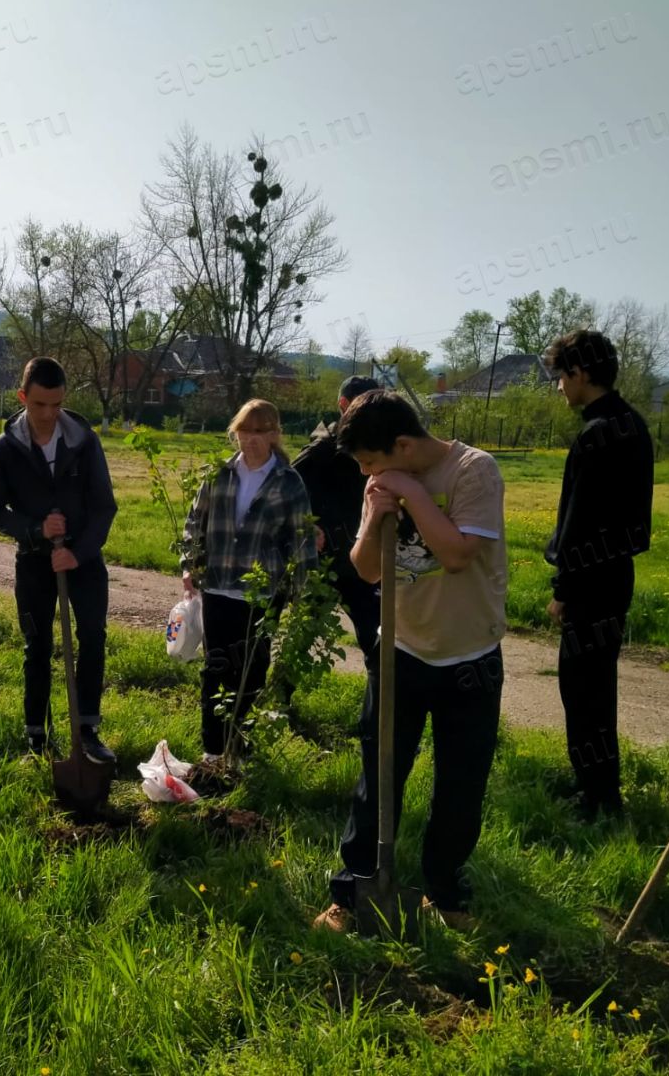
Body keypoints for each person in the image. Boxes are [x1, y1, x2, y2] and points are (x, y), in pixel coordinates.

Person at [313, 391, 507, 933]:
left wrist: (413, 495)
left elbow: (457, 554)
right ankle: (354, 893)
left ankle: (445, 895)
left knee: (461, 783)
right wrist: (376, 514)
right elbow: (366, 569)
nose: (367, 474)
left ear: (403, 445)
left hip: (469, 656)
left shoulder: (474, 471)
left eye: (372, 463)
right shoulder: (381, 481)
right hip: (400, 651)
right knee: (379, 776)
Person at [0, 356, 118, 763]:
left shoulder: (84, 442)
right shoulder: (5, 449)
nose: (48, 414)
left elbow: (104, 507)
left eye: (56, 405)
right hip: (35, 562)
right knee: (36, 645)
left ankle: (87, 731)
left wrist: (77, 553)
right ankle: (36, 738)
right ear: (23, 397)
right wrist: (36, 529)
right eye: (39, 405)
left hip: (83, 559)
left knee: (93, 638)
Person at [542, 329, 654, 822]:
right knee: (597, 685)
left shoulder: (595, 434)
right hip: (616, 575)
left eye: (561, 378)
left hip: (589, 581)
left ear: (580, 373)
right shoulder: (633, 423)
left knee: (581, 688)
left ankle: (597, 798)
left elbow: (580, 519)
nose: (559, 388)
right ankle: (599, 787)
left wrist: (564, 587)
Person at [181, 398, 318, 763]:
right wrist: (190, 565)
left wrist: (303, 593)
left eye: (260, 431)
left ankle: (239, 753)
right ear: (235, 432)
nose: (252, 439)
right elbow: (195, 521)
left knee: (251, 672)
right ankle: (212, 752)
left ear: (274, 434)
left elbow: (301, 538)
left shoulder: (289, 482)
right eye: (245, 430)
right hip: (219, 586)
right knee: (215, 669)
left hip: (262, 593)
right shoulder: (219, 474)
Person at [291, 375, 384, 659]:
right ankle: (279, 702)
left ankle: (382, 702)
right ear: (344, 405)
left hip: (363, 562)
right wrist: (308, 525)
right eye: (364, 405)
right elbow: (285, 488)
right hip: (325, 563)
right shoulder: (322, 449)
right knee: (300, 641)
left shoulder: (378, 446)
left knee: (378, 642)